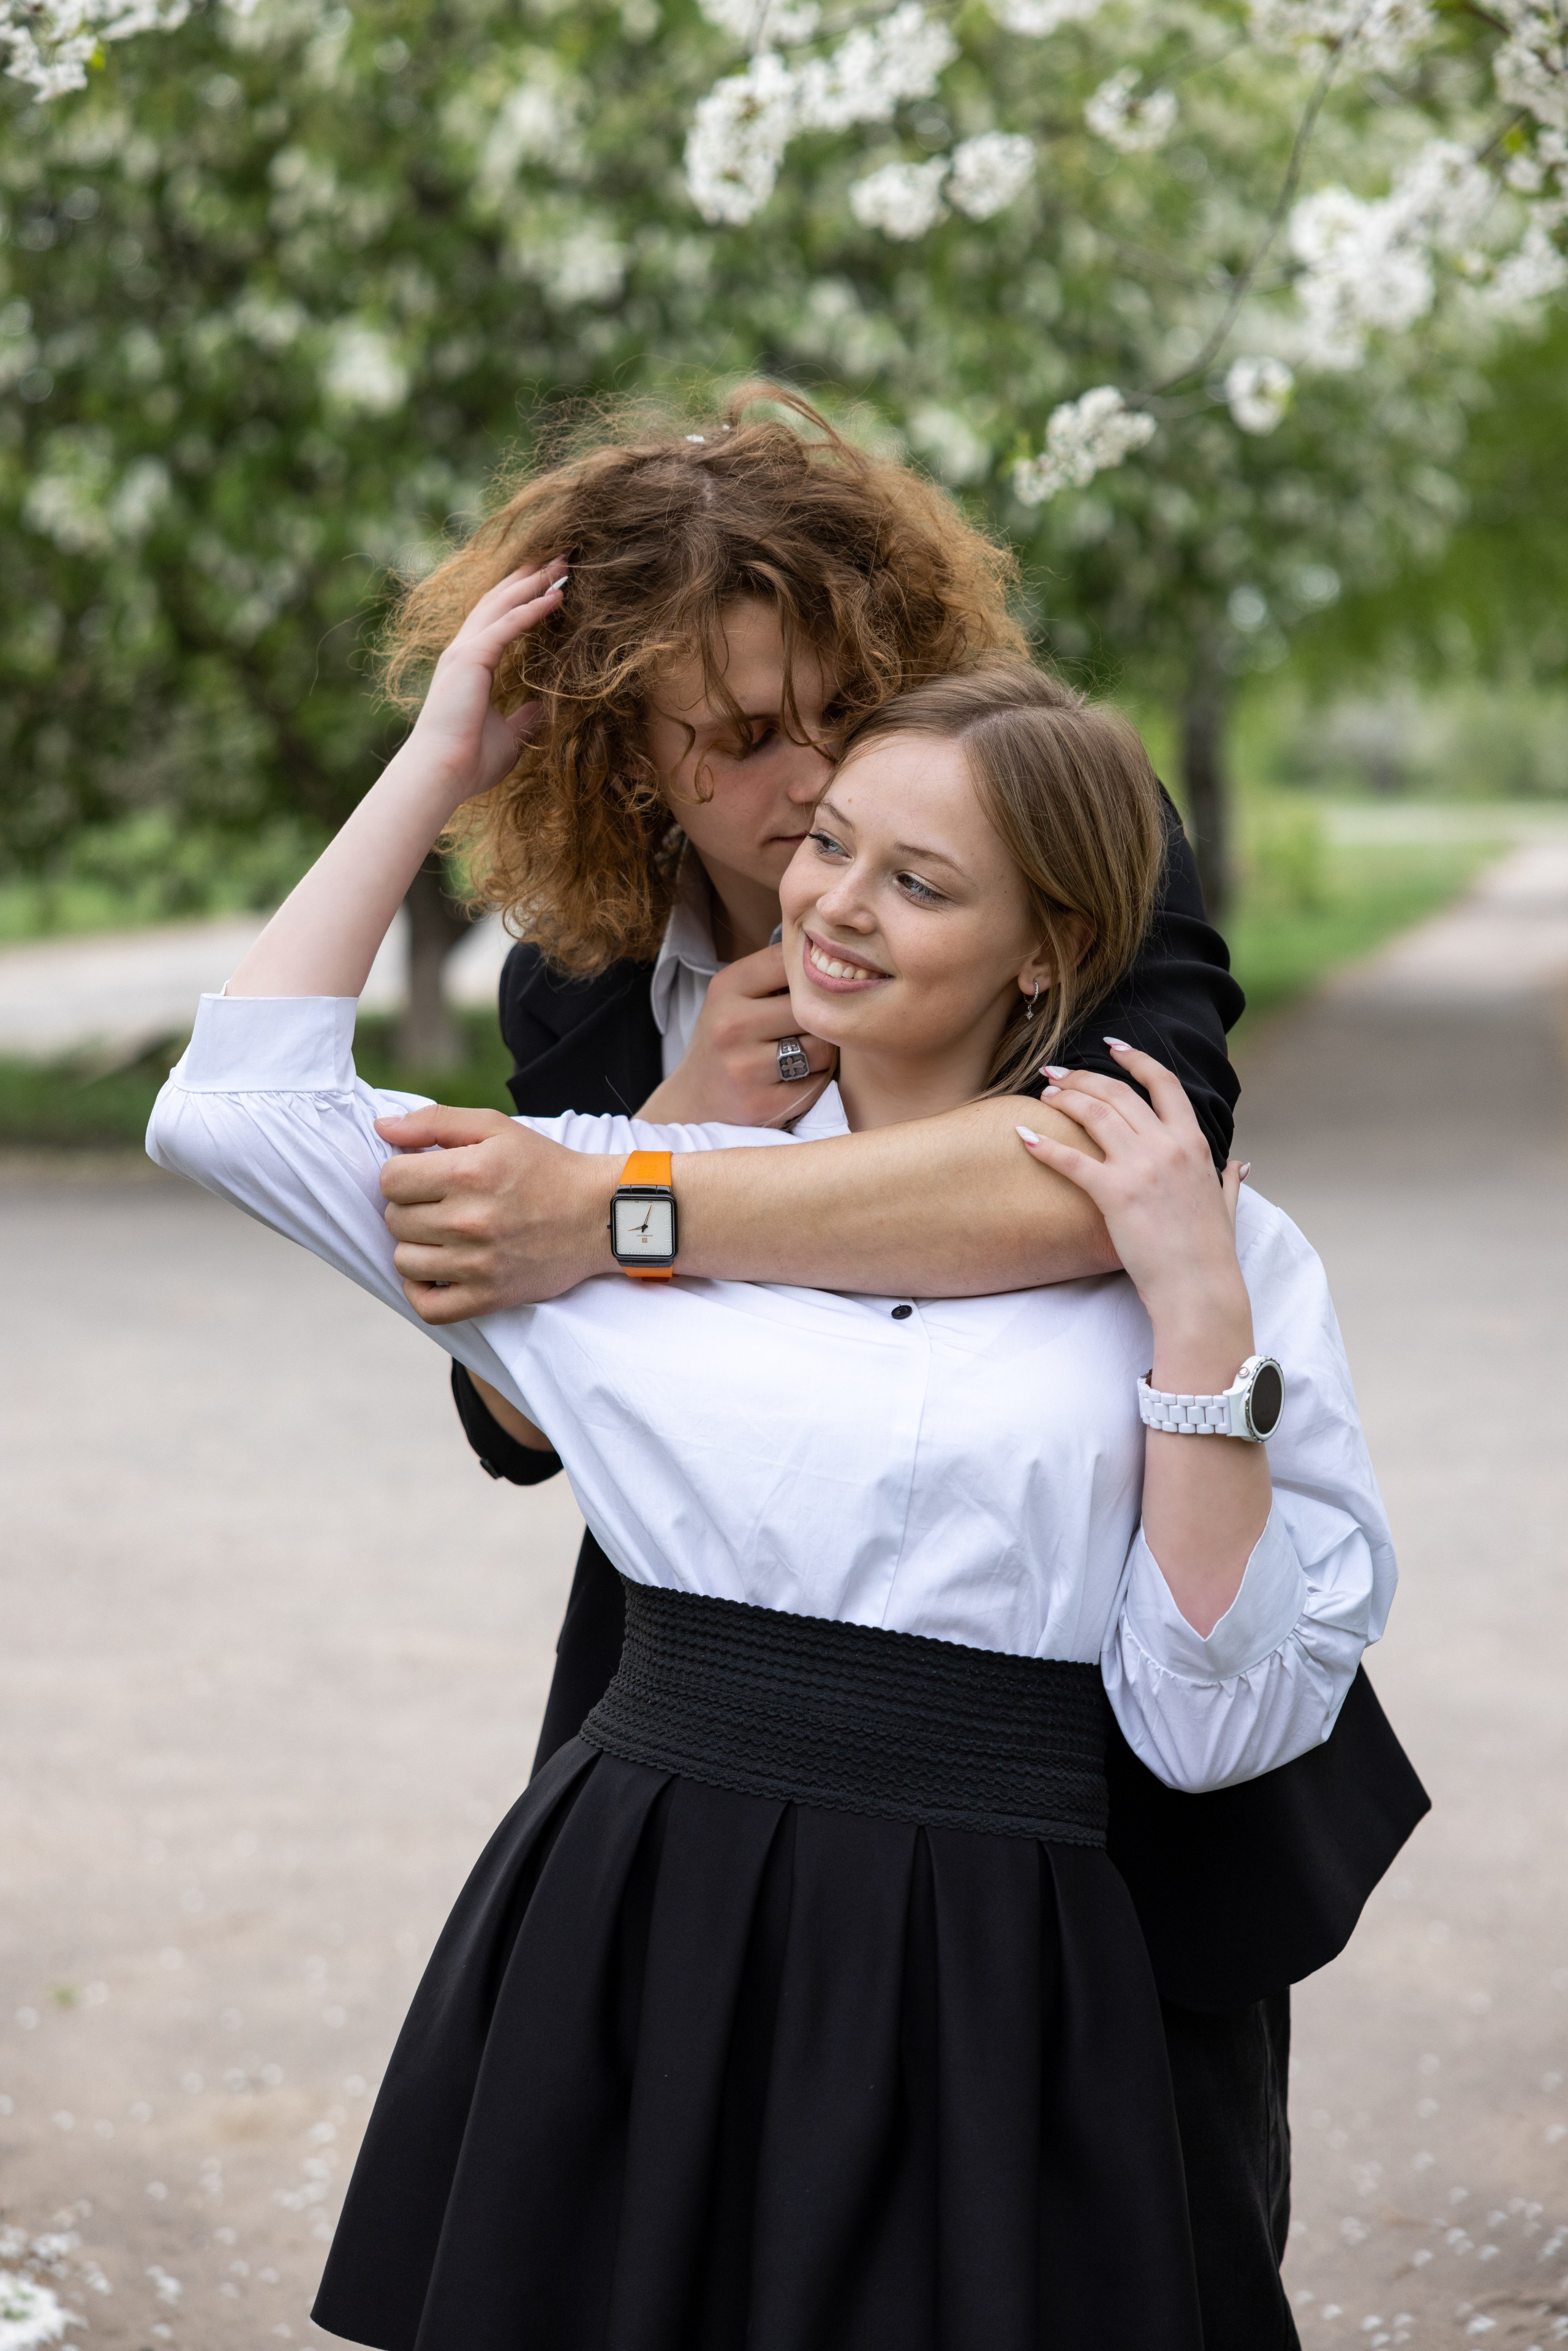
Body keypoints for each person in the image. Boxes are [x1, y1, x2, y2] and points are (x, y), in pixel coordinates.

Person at [150, 587, 1398, 2349]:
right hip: (653, 1907)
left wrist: (1196, 1316)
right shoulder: (607, 1186)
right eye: (826, 845)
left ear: (1049, 949)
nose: (829, 902)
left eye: (921, 882)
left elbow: (1210, 1727)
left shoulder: (1216, 1248)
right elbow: (234, 1111)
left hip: (1015, 1949)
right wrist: (439, 766)